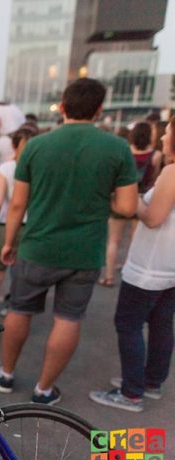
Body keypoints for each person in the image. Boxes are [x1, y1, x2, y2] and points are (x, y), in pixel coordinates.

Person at [0, 78, 139, 405]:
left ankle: (5, 374)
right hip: (84, 252)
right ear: (99, 110)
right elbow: (128, 207)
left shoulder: (36, 146)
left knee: (19, 310)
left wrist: (9, 242)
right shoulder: (117, 148)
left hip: (37, 246)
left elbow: (17, 204)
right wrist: (102, 199)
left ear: (61, 106)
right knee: (68, 319)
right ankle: (44, 389)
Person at [90, 117, 175, 412]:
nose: (162, 138)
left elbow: (153, 218)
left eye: (167, 133)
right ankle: (150, 382)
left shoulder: (171, 172)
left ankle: (132, 392)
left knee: (128, 324)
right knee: (162, 324)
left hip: (150, 266)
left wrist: (131, 199)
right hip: (168, 266)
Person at [99, 122, 163, 287]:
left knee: (113, 240)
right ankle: (129, 273)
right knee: (134, 240)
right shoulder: (156, 155)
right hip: (142, 199)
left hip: (121, 197)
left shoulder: (125, 151)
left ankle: (108, 276)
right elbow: (154, 178)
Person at [0, 128, 34, 322]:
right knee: (22, 281)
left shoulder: (5, 168)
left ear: (13, 145)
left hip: (4, 226)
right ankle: (15, 323)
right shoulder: (37, 168)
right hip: (29, 228)